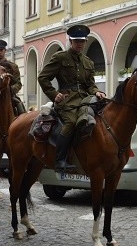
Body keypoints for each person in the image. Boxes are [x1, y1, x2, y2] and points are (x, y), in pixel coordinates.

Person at [38, 24, 106, 170]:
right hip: (66, 100)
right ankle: (60, 159)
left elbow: (90, 84)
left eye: (82, 41)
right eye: (76, 41)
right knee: (72, 122)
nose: (79, 44)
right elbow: (43, 77)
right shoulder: (60, 57)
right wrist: (54, 94)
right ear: (70, 41)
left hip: (85, 100)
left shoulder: (88, 62)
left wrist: (96, 92)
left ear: (85, 41)